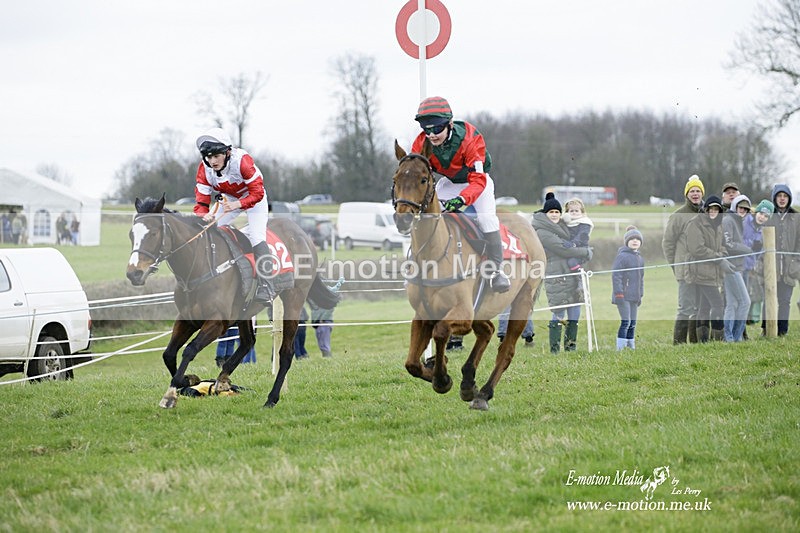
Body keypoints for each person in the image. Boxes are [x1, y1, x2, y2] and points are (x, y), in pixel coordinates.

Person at [411, 96, 510, 293]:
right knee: (424, 215)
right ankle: (416, 262)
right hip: (449, 183)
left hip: (477, 181)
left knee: (487, 220)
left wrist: (463, 199)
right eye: (426, 129)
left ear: (448, 124)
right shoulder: (421, 143)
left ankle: (497, 271)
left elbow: (479, 180)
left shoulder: (470, 138)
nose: (431, 134)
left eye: (437, 129)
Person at [193, 127, 274, 304]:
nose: (212, 161)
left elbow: (257, 193)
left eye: (216, 156)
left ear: (227, 152)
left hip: (254, 199)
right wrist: (203, 215)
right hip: (229, 199)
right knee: (209, 229)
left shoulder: (242, 161)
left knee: (257, 237)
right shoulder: (204, 169)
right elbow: (201, 203)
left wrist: (238, 204)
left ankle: (267, 286)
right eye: (208, 157)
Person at [532, 193, 591, 353]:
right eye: (551, 212)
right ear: (545, 214)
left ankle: (571, 347)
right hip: (557, 276)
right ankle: (555, 349)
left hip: (572, 275)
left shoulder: (564, 226)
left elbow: (574, 244)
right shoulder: (542, 232)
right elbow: (564, 249)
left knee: (574, 313)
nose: (554, 215)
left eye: (557, 212)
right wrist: (586, 252)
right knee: (558, 313)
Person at [663, 175, 705, 344]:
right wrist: (676, 267)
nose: (695, 194)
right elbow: (668, 244)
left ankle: (694, 342)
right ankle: (679, 343)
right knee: (685, 308)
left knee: (698, 308)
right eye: (692, 191)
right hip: (685, 271)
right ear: (687, 194)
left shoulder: (706, 213)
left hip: (702, 271)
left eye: (698, 191)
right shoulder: (678, 216)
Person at [686, 196, 728, 342]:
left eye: (716, 209)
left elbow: (722, 245)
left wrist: (722, 253)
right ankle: (718, 339)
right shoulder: (695, 224)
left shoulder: (718, 224)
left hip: (713, 272)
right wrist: (718, 257)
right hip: (700, 271)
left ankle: (703, 341)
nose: (713, 211)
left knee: (704, 306)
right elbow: (696, 249)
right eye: (711, 208)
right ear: (706, 209)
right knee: (718, 304)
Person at [768, 184, 800, 336]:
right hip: (770, 265)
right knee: (769, 298)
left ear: (789, 198)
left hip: (789, 267)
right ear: (774, 198)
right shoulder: (769, 215)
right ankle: (766, 329)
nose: (782, 199)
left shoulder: (796, 217)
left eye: (785, 196)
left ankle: (782, 331)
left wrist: (795, 261)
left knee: (785, 300)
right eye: (779, 196)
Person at [721, 194, 753, 342]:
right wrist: (747, 249)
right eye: (741, 207)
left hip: (736, 266)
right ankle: (734, 336)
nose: (743, 211)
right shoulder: (728, 220)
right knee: (745, 302)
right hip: (731, 267)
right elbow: (728, 244)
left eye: (746, 209)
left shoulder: (738, 221)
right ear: (735, 207)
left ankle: (731, 338)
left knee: (732, 304)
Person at [611, 226, 644, 350]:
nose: (635, 241)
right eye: (632, 239)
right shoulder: (622, 257)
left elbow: (641, 279)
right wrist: (619, 293)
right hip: (623, 296)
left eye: (637, 239)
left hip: (634, 296)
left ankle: (631, 347)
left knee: (633, 323)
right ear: (627, 242)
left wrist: (640, 294)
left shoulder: (640, 259)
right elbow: (616, 276)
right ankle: (620, 348)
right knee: (626, 322)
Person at [742, 199, 773, 325]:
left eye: (766, 216)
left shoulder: (762, 230)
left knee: (746, 299)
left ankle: (743, 329)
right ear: (757, 212)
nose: (762, 217)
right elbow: (739, 242)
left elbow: (759, 252)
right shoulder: (745, 222)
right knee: (740, 300)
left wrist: (758, 250)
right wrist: (751, 247)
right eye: (761, 213)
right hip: (738, 266)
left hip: (749, 268)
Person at [310, 277, 344, 358]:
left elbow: (329, 308)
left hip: (324, 322)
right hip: (318, 322)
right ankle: (326, 355)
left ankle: (327, 356)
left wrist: (323, 319)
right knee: (320, 340)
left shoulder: (327, 298)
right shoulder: (317, 295)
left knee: (324, 341)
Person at [560, 197, 594, 272]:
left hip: (580, 248)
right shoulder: (565, 223)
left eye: (576, 211)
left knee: (572, 262)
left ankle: (580, 277)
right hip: (568, 248)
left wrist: (573, 243)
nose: (574, 213)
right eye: (571, 211)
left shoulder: (585, 222)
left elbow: (583, 236)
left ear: (581, 212)